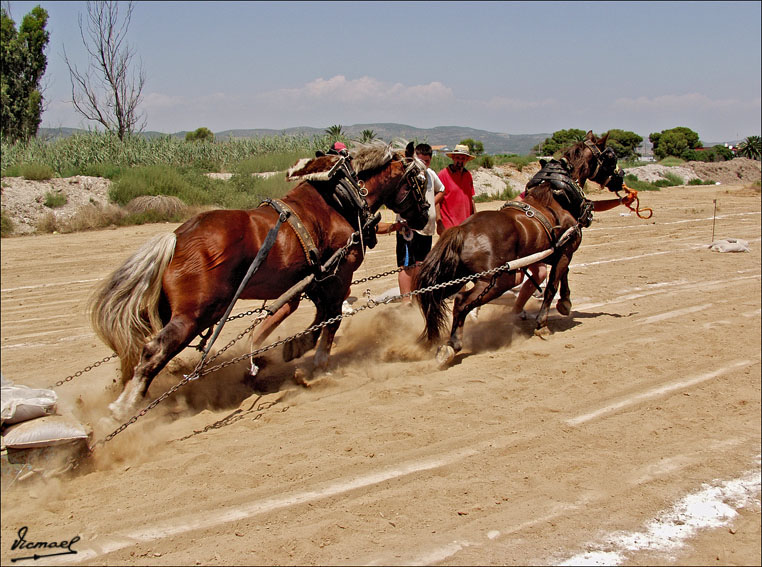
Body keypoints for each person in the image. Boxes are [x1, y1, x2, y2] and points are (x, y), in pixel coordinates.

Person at [511, 189, 637, 318]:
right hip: (529, 237)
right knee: (519, 278)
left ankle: (516, 309)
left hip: (538, 239)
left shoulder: (567, 193)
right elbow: (517, 202)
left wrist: (620, 201)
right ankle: (508, 302)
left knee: (539, 274)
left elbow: (591, 206)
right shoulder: (544, 189)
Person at [376, 143, 444, 304]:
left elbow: (442, 190)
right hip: (409, 228)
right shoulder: (406, 175)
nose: (423, 164)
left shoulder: (431, 174)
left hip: (427, 228)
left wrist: (430, 205)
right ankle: (406, 302)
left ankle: (417, 298)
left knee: (421, 265)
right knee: (407, 265)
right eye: (420, 160)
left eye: (426, 161)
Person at [437, 144, 476, 234]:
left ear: (467, 160)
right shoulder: (443, 175)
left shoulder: (468, 176)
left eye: (463, 158)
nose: (460, 161)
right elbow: (437, 202)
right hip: (448, 227)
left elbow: (471, 199)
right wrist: (439, 222)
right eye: (458, 158)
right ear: (453, 158)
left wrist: (475, 217)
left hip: (466, 226)